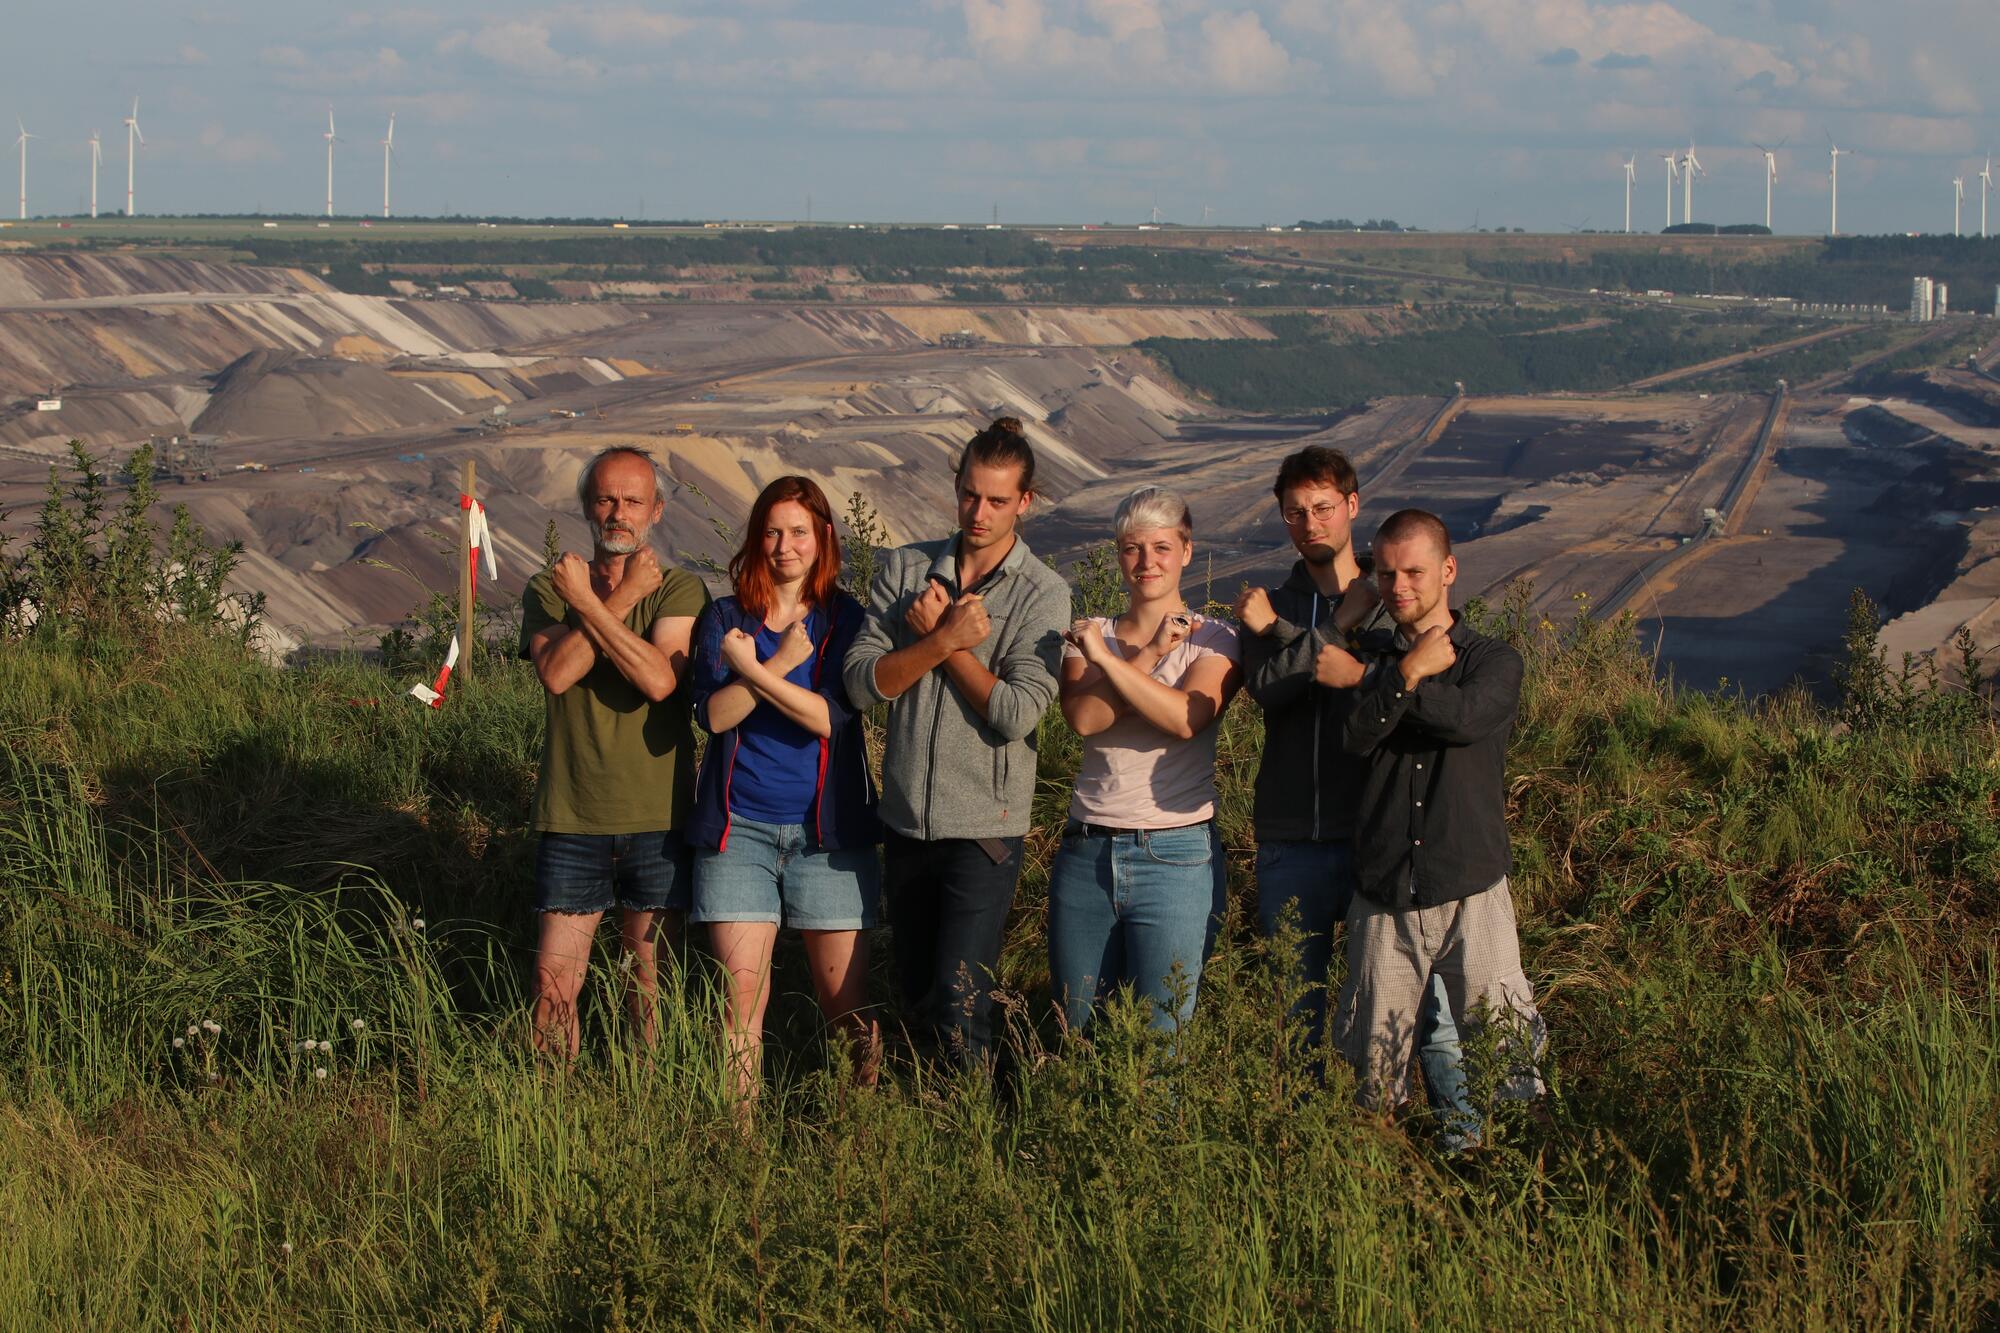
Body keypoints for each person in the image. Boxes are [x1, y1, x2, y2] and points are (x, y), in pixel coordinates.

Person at [1234, 447, 1472, 1130]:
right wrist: (1335, 625)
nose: (1309, 522)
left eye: (1323, 507)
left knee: (1419, 1012)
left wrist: (1321, 636)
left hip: (1384, 841)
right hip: (1292, 840)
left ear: (1353, 505)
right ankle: (1312, 1148)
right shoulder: (1266, 604)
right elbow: (1270, 689)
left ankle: (1457, 1142)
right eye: (1294, 511)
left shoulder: (1398, 601)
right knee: (1298, 1014)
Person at [844, 417, 1071, 1067]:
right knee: (915, 991)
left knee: (961, 1000)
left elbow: (1017, 712)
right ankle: (935, 1126)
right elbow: (861, 684)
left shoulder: (1043, 595)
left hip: (984, 830)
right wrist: (940, 642)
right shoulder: (906, 570)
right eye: (970, 493)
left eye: (998, 500)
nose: (980, 511)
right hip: (906, 823)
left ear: (1024, 502)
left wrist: (946, 645)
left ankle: (978, 1139)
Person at [1332, 508, 1547, 1127]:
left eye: (1415, 572)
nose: (1399, 587)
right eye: (1386, 573)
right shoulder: (1367, 657)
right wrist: (1402, 671)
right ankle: (1380, 1198)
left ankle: (1512, 1188)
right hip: (1385, 887)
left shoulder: (1494, 660)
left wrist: (1394, 682)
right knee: (1371, 1076)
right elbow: (1352, 734)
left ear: (1449, 570)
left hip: (1470, 883)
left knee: (1506, 1060)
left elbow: (1465, 719)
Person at [687, 476, 882, 1104]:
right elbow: (715, 717)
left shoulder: (847, 619)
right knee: (740, 1003)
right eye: (772, 531)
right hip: (736, 830)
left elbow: (832, 719)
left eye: (799, 531)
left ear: (823, 537)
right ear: (754, 538)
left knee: (845, 1003)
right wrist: (767, 665)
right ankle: (738, 1147)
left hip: (827, 834)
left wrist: (749, 671)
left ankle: (863, 1132)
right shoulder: (723, 618)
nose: (784, 545)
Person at [520, 445, 710, 1057]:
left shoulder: (679, 588)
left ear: (655, 510)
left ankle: (647, 1115)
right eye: (605, 499)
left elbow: (659, 680)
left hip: (659, 816)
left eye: (632, 500)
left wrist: (592, 602)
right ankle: (550, 1119)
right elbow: (556, 673)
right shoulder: (549, 590)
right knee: (552, 989)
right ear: (586, 507)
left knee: (649, 991)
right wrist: (617, 599)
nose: (618, 512)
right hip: (571, 815)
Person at [1049, 487, 1240, 1034]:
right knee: (1077, 1028)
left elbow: (1185, 718)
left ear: (1186, 550)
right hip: (1086, 852)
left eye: (1161, 547)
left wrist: (1107, 663)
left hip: (1175, 852)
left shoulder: (1217, 641)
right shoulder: (1092, 637)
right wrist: (1151, 652)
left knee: (1163, 1036)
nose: (1147, 562)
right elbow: (1087, 718)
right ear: (1118, 555)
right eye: (1133, 548)